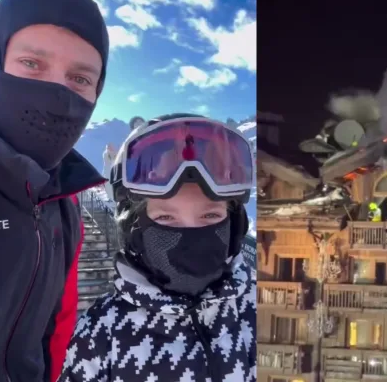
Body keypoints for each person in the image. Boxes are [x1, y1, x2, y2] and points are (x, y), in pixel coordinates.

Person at [59, 114, 256, 381]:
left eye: (210, 216)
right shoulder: (98, 336)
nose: (190, 235)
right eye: (166, 217)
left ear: (235, 226)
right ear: (134, 230)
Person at [0, 0, 109, 381]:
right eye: (31, 63)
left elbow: (57, 326)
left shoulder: (65, 201)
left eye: (80, 78)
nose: (57, 94)